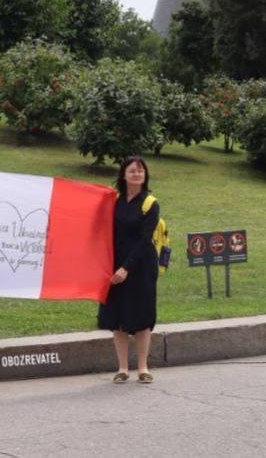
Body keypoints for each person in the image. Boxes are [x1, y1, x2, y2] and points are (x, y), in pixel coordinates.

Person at [97, 155, 160, 384]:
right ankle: (122, 368)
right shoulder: (114, 201)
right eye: (132, 170)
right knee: (118, 316)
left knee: (143, 315)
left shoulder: (150, 203)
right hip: (114, 264)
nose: (137, 174)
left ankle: (143, 368)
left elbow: (144, 241)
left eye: (141, 171)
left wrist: (126, 268)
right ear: (123, 174)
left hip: (141, 266)